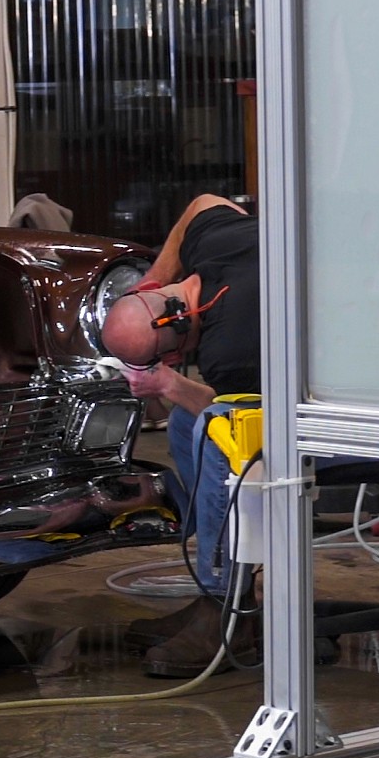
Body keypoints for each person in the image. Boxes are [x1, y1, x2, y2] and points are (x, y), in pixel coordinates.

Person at [99, 192, 259, 675]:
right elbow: (203, 202)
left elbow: (245, 422)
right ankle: (233, 592)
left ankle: (226, 609)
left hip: (374, 411)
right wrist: (156, 277)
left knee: (214, 434)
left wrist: (167, 382)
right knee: (191, 421)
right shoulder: (216, 241)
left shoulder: (231, 348)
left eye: (165, 355)